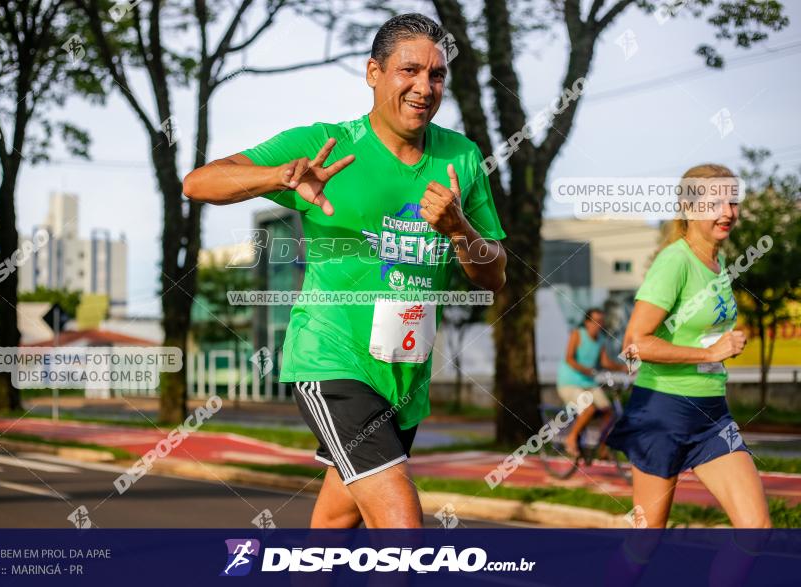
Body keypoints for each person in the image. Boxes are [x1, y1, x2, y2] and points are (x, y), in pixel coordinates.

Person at [183, 13, 507, 529]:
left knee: (335, 523)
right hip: (332, 360)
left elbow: (494, 275)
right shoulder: (328, 142)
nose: (424, 87)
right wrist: (281, 177)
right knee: (403, 529)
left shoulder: (462, 157)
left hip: (405, 372)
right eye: (409, 71)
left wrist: (458, 229)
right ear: (373, 72)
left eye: (437, 75)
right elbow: (199, 182)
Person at [606, 164, 771, 529]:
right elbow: (634, 344)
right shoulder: (674, 261)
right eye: (716, 203)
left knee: (756, 530)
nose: (728, 212)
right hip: (663, 412)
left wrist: (720, 344)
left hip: (712, 413)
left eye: (733, 202)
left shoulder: (719, 262)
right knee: (646, 542)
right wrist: (709, 353)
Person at [556, 307, 625, 457]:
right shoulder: (577, 334)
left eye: (601, 321)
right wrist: (585, 370)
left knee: (609, 412)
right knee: (589, 409)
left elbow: (605, 362)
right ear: (587, 322)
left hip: (589, 383)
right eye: (595, 321)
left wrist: (623, 367)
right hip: (570, 382)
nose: (598, 324)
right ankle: (571, 438)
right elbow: (569, 358)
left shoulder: (601, 340)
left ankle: (603, 448)